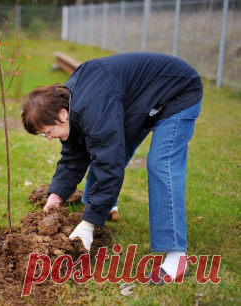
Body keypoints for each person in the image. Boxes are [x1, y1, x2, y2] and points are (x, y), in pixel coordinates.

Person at [21, 52, 203, 282]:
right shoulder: (70, 105)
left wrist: (87, 223)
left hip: (176, 90)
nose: (49, 138)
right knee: (104, 147)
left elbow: (109, 162)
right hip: (138, 101)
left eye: (48, 132)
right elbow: (75, 155)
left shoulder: (92, 107)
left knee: (161, 164)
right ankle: (103, 210)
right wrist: (57, 194)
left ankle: (177, 258)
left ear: (62, 114)